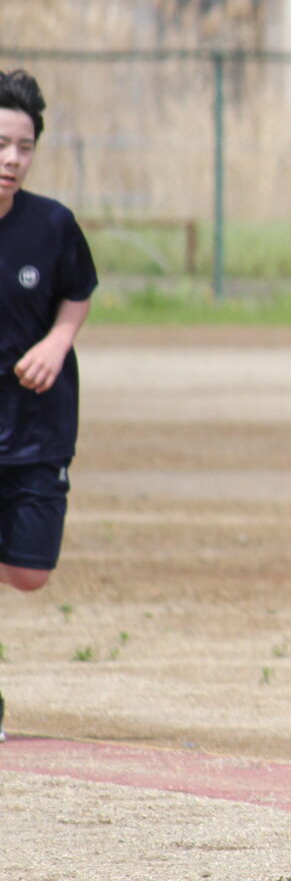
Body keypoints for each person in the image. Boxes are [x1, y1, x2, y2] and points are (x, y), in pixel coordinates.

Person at [0, 69, 99, 743]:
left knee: (29, 574)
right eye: (1, 143)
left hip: (36, 427)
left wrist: (59, 341)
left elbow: (79, 288)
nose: (11, 159)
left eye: (24, 146)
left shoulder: (52, 224)